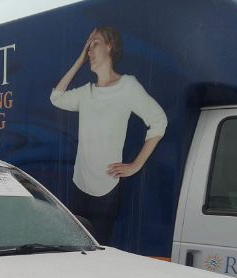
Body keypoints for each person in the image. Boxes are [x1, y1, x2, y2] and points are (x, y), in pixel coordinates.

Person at [51, 27, 167, 244]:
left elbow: (158, 121)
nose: (90, 51)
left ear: (110, 45)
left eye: (94, 44)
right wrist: (79, 59)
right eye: (87, 47)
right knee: (74, 251)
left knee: (99, 252)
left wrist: (136, 165)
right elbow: (56, 97)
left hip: (106, 189)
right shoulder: (85, 93)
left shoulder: (127, 87)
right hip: (79, 185)